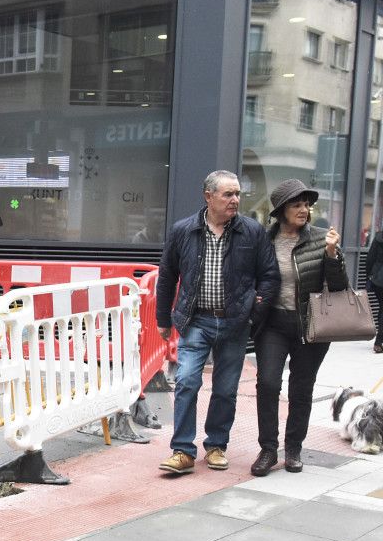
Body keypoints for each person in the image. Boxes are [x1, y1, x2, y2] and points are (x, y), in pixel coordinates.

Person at [156, 170, 280, 475]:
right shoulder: (183, 230)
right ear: (208, 196)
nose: (235, 200)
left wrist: (254, 310)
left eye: (238, 194)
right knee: (186, 381)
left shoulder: (252, 232)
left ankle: (215, 445)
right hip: (196, 320)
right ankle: (183, 451)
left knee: (225, 390)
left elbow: (269, 276)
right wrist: (162, 319)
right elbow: (168, 275)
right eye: (228, 194)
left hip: (235, 323)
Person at [250, 180, 349, 475]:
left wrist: (332, 254)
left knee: (301, 389)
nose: (304, 210)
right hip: (273, 325)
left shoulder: (321, 238)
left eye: (307, 204)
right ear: (281, 210)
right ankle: (268, 449)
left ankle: (293, 448)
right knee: (267, 384)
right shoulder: (263, 241)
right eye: (297, 204)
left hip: (311, 327)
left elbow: (340, 287)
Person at [367, 230, 383, 354]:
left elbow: (370, 258)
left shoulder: (379, 236)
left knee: (381, 309)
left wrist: (369, 275)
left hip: (378, 279)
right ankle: (379, 342)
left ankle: (379, 340)